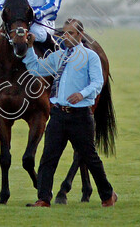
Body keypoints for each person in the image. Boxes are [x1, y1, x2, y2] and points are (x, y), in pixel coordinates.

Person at [22, 18, 117, 208]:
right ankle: (43, 198)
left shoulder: (90, 57)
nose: (66, 37)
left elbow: (98, 83)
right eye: (64, 33)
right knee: (48, 158)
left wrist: (81, 94)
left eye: (71, 33)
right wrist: (30, 48)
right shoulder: (58, 56)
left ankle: (108, 195)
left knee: (90, 158)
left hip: (80, 116)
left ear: (80, 35)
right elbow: (36, 68)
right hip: (57, 115)